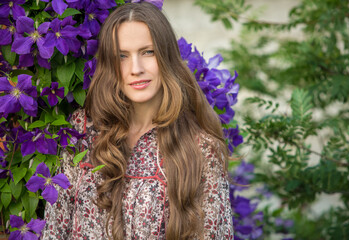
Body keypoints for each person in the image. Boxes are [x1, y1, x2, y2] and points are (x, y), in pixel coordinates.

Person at [41, 2, 234, 239]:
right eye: (122, 56)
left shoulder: (201, 149)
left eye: (147, 52)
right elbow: (55, 229)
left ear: (166, 56)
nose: (135, 68)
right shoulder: (82, 132)